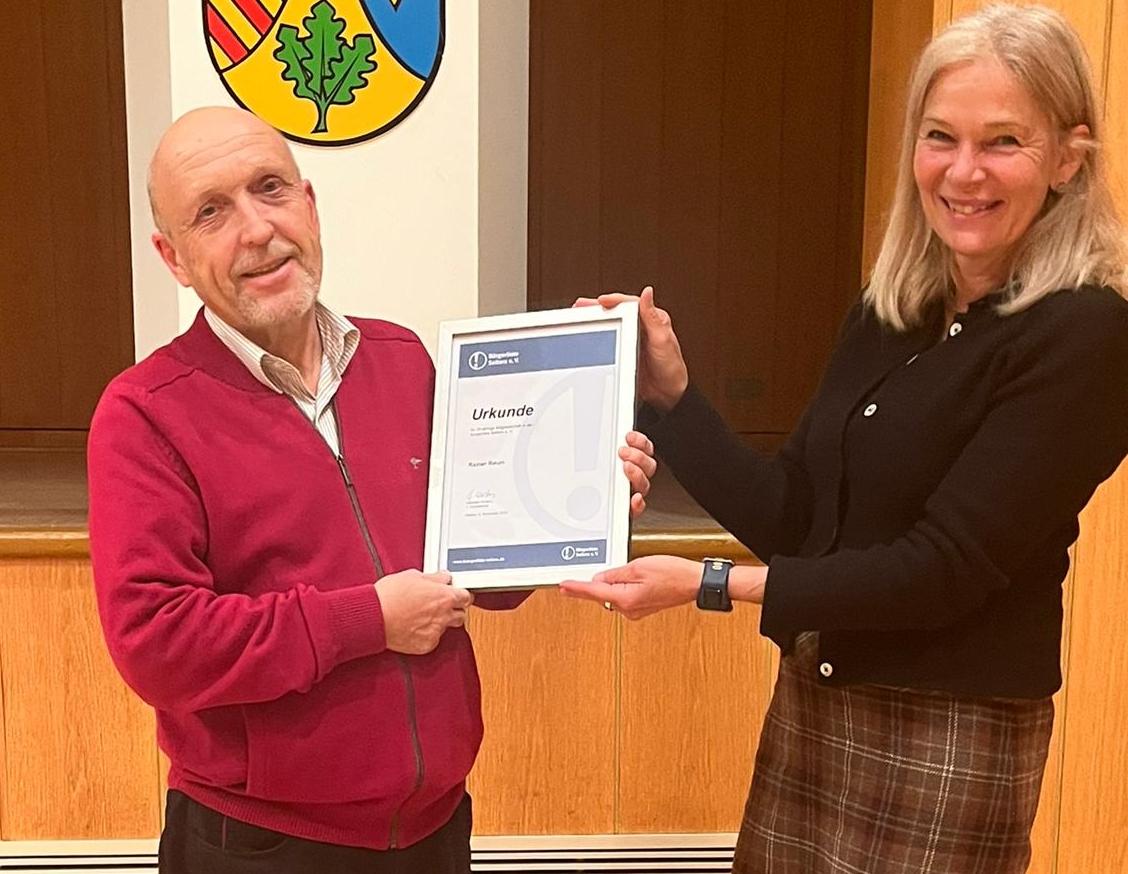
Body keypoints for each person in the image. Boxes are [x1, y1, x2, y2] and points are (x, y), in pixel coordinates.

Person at [562, 5, 1128, 873]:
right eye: (941, 136)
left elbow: (944, 569)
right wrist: (669, 393)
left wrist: (709, 583)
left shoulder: (1089, 335)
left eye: (1003, 141)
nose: (964, 171)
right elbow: (795, 514)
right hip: (818, 702)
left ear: (1066, 158)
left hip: (951, 734)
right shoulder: (894, 307)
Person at [86, 106, 655, 874]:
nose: (256, 230)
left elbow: (476, 575)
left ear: (310, 205)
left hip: (436, 829)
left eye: (270, 188)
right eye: (212, 212)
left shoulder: (403, 360)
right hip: (261, 846)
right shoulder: (145, 411)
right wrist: (368, 620)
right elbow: (159, 644)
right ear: (174, 257)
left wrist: (576, 496)